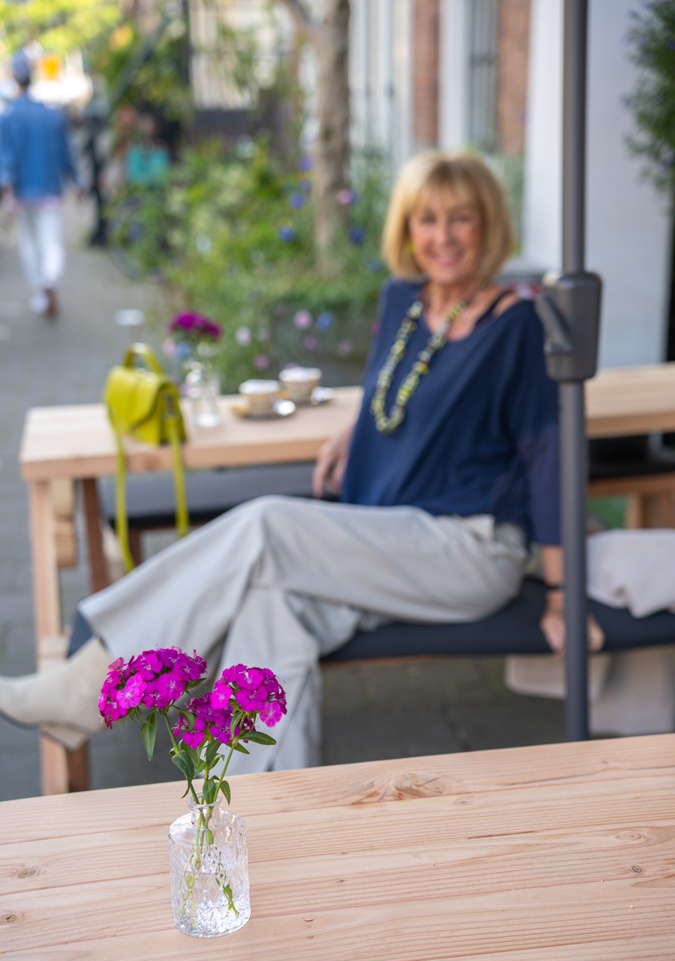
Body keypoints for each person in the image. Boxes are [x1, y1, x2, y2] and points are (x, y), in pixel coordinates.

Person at [0, 150, 604, 769]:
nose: (443, 236)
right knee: (268, 605)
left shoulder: (519, 325)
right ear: (406, 227)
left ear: (490, 224)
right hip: (381, 539)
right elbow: (393, 388)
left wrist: (561, 594)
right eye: (427, 219)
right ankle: (260, 820)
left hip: (466, 550)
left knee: (266, 526)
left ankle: (98, 682)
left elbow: (546, 459)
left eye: (461, 218)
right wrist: (357, 430)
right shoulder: (406, 301)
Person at [0, 50, 81, 318]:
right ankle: (50, 280)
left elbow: (6, 158)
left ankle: (40, 289)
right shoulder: (52, 115)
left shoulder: (8, 117)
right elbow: (66, 153)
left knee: (30, 243)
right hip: (50, 189)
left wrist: (8, 193)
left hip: (24, 192)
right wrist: (77, 183)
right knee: (52, 241)